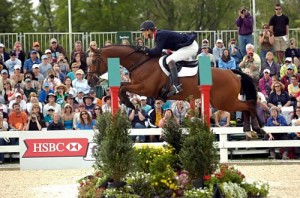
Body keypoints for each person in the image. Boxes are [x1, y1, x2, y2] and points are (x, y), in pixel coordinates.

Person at [138, 20, 198, 95]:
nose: (142, 34)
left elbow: (157, 52)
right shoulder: (158, 35)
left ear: (149, 30)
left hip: (190, 47)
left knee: (169, 60)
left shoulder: (159, 35)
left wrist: (144, 49)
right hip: (185, 46)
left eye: (143, 31)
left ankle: (176, 85)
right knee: (168, 58)